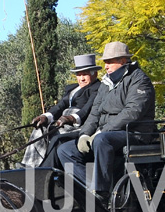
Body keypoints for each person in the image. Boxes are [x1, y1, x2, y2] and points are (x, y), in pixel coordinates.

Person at [56, 41, 156, 196]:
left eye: (109, 62)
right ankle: (91, 188)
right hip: (106, 133)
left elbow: (132, 113)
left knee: (102, 140)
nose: (106, 66)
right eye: (105, 62)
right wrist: (84, 134)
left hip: (133, 134)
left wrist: (101, 131)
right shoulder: (106, 83)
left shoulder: (139, 80)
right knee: (65, 150)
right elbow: (95, 113)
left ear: (123, 60)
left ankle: (102, 191)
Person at [22, 54, 102, 167]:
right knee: (39, 129)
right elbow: (60, 106)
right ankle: (29, 165)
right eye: (79, 74)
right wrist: (46, 116)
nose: (81, 78)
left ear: (95, 74)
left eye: (85, 74)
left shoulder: (98, 88)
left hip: (79, 125)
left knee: (57, 138)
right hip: (62, 123)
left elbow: (88, 108)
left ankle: (45, 169)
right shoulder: (73, 89)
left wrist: (71, 118)